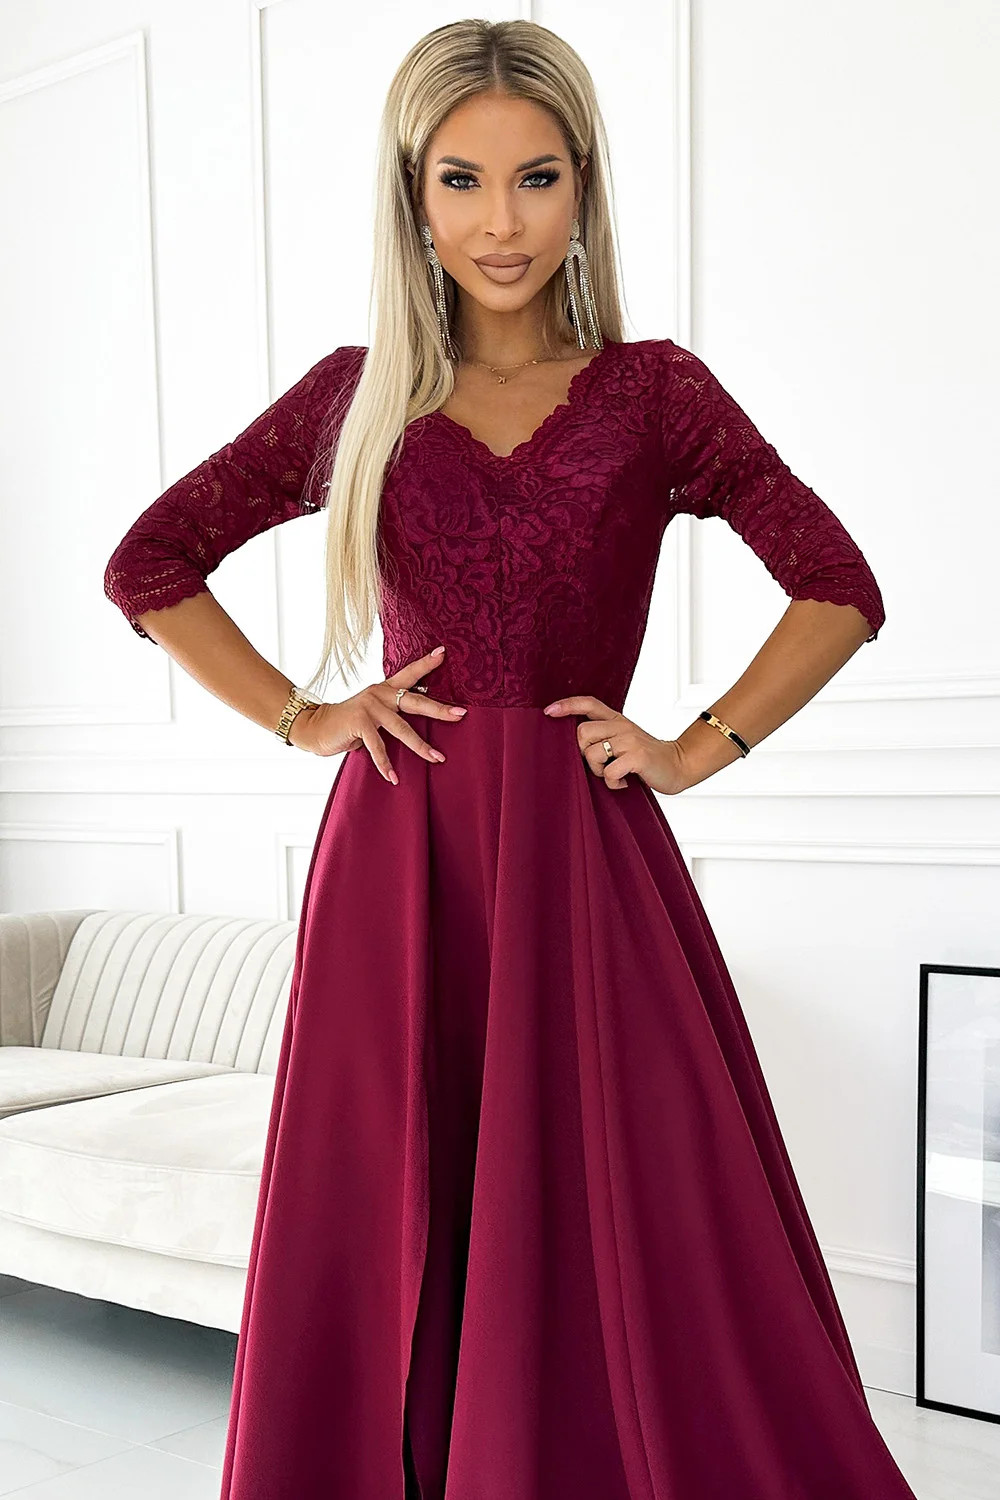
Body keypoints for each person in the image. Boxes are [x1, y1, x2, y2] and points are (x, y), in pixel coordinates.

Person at [102, 18, 917, 1500]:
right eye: (461, 180)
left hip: (583, 851)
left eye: (537, 177)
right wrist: (303, 712)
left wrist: (694, 748)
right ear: (411, 194)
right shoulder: (359, 395)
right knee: (394, 1188)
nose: (501, 222)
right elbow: (148, 563)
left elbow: (838, 585)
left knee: (632, 1190)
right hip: (400, 857)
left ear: (584, 185)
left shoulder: (657, 393)